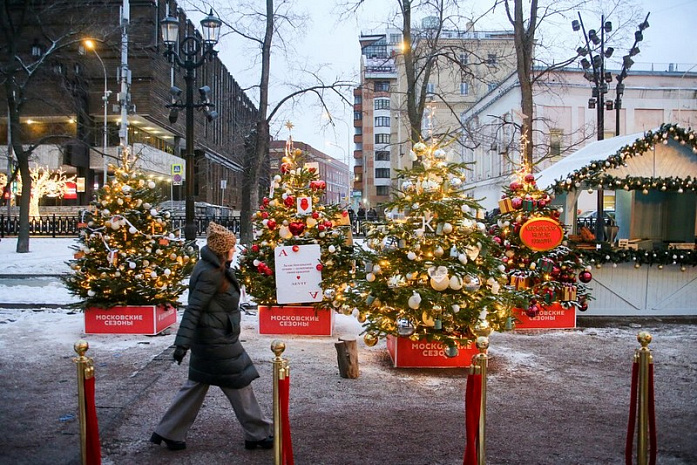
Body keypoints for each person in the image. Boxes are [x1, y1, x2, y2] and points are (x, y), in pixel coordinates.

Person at [151, 222, 273, 451]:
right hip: (216, 340)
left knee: (197, 384)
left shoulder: (212, 267)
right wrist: (181, 344)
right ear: (222, 250)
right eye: (232, 248)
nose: (235, 251)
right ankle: (258, 433)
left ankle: (169, 431)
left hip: (212, 337)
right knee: (240, 381)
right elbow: (194, 309)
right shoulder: (211, 273)